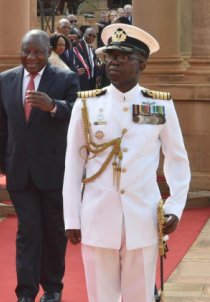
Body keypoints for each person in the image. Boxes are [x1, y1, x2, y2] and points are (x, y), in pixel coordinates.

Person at [63, 24, 190, 302]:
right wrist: (72, 216)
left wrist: (175, 207)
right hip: (97, 217)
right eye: (109, 57)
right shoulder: (87, 105)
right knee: (101, 296)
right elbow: (73, 164)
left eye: (123, 57)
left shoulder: (159, 105)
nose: (114, 62)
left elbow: (177, 159)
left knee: (140, 296)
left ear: (141, 65)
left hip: (143, 218)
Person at [0, 30, 79, 302]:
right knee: (28, 232)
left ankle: (52, 289)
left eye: (38, 52)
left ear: (49, 52)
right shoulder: (7, 79)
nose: (31, 57)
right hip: (19, 171)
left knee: (54, 233)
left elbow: (79, 113)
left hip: (53, 171)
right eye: (27, 50)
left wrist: (54, 106)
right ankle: (25, 292)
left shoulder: (66, 78)